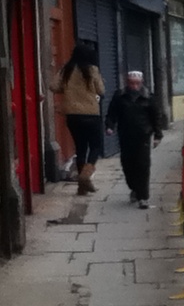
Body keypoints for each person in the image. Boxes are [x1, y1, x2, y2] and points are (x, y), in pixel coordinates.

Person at [50, 44, 106, 195]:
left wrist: (68, 90)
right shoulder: (92, 70)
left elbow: (53, 86)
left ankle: (82, 188)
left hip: (73, 116)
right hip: (91, 114)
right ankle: (86, 176)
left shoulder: (66, 69)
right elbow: (101, 90)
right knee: (95, 146)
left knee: (80, 147)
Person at [105, 71, 163, 209]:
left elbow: (156, 117)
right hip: (125, 135)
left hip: (143, 135)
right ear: (127, 82)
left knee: (143, 165)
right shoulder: (119, 96)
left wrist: (157, 135)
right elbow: (112, 113)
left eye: (137, 83)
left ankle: (143, 197)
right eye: (131, 83)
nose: (134, 86)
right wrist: (109, 126)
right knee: (127, 165)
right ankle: (134, 188)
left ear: (142, 82)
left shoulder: (148, 97)